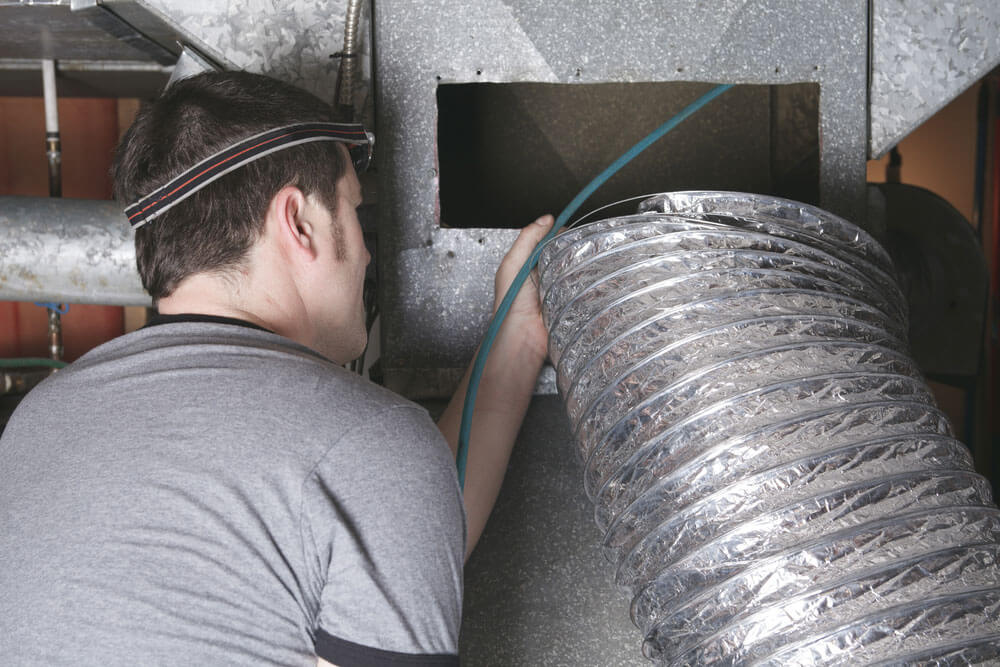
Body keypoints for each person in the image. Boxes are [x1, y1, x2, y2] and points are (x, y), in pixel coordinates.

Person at [0, 71, 552, 666]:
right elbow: (362, 500)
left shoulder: (37, 426)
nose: (366, 252)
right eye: (354, 213)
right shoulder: (365, 447)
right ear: (298, 222)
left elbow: (385, 547)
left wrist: (516, 338)